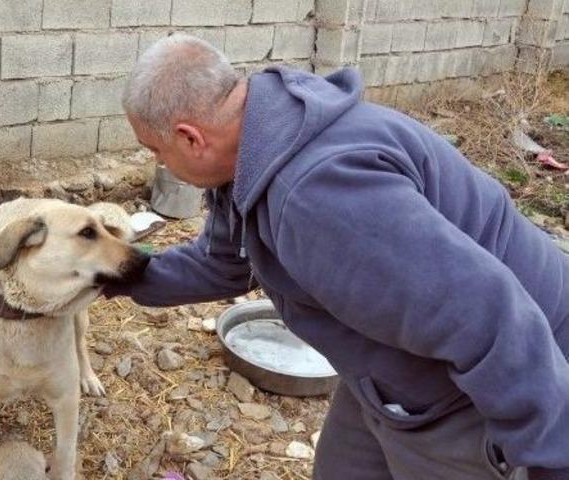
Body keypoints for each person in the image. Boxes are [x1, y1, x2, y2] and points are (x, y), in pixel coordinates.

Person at [109, 33, 569, 480]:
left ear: (191, 138)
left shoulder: (319, 199)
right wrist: (110, 273)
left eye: (156, 150)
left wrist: (553, 457)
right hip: (385, 370)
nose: (162, 166)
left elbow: (488, 318)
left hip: (485, 378)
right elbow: (224, 262)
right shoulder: (254, 146)